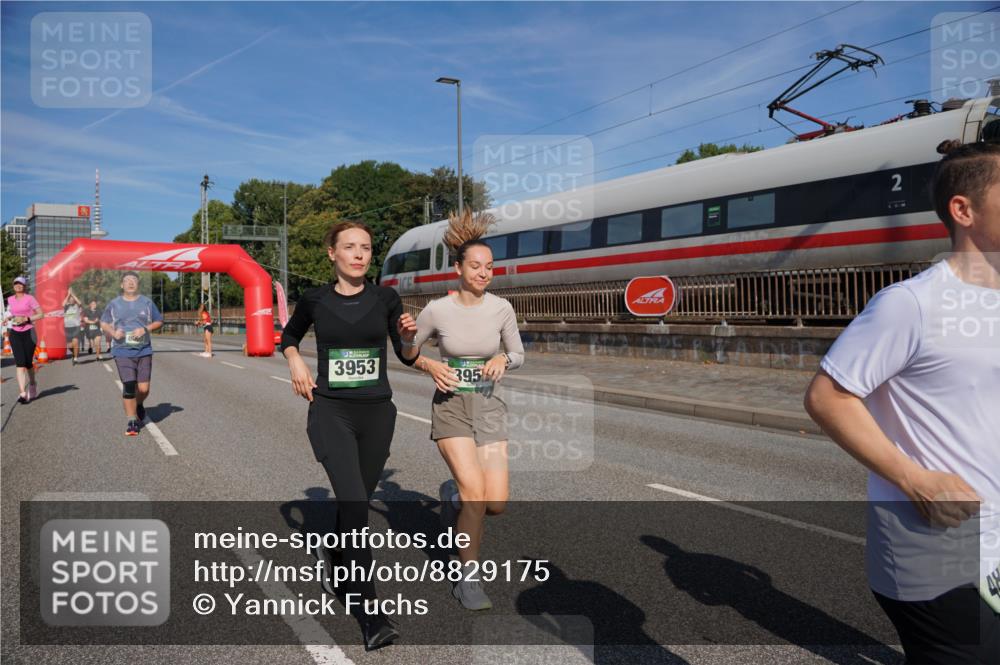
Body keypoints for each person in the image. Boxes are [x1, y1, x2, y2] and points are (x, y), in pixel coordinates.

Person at [805, 140, 1000, 664]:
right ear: (964, 210)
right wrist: (916, 478)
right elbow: (828, 396)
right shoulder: (912, 304)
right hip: (939, 545)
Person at [280, 220, 418, 651]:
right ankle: (370, 614)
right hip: (331, 412)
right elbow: (289, 335)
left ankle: (334, 553)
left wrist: (412, 340)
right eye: (350, 247)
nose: (359, 254)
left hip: (377, 414)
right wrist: (296, 361)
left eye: (366, 248)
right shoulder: (315, 299)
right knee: (357, 508)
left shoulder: (386, 298)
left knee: (353, 499)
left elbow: (407, 355)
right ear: (332, 254)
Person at [403, 209, 525, 611]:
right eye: (475, 265)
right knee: (476, 495)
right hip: (452, 407)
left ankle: (450, 499)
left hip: (489, 405)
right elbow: (409, 352)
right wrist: (426, 361)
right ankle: (467, 579)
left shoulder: (502, 308)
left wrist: (503, 362)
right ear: (458, 268)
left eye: (489, 266)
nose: (484, 272)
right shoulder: (437, 310)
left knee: (497, 503)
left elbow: (518, 352)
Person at [100, 271, 163, 436]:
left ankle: (139, 404)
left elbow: (159, 321)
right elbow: (104, 323)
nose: (130, 283)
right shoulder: (114, 304)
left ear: (138, 284)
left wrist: (145, 329)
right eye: (127, 280)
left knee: (143, 389)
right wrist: (113, 333)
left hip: (144, 350)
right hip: (122, 350)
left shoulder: (147, 303)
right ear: (122, 285)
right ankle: (131, 421)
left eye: (133, 280)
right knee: (129, 386)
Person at [4, 276, 42, 403]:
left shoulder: (30, 298)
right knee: (20, 364)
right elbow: (12, 313)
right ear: (13, 286)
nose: (18, 285)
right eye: (16, 283)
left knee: (28, 363)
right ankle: (22, 393)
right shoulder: (10, 299)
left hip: (29, 333)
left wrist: (27, 319)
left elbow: (41, 314)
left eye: (21, 284)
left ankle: (32, 384)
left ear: (24, 286)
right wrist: (8, 318)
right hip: (15, 333)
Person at [62, 289, 83, 365]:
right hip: (67, 327)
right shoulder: (66, 307)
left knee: (76, 342)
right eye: (70, 299)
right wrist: (68, 295)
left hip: (76, 326)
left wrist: (73, 294)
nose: (71, 300)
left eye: (73, 299)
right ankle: (75, 351)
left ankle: (75, 358)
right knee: (70, 345)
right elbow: (63, 304)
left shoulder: (77, 306)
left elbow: (80, 303)